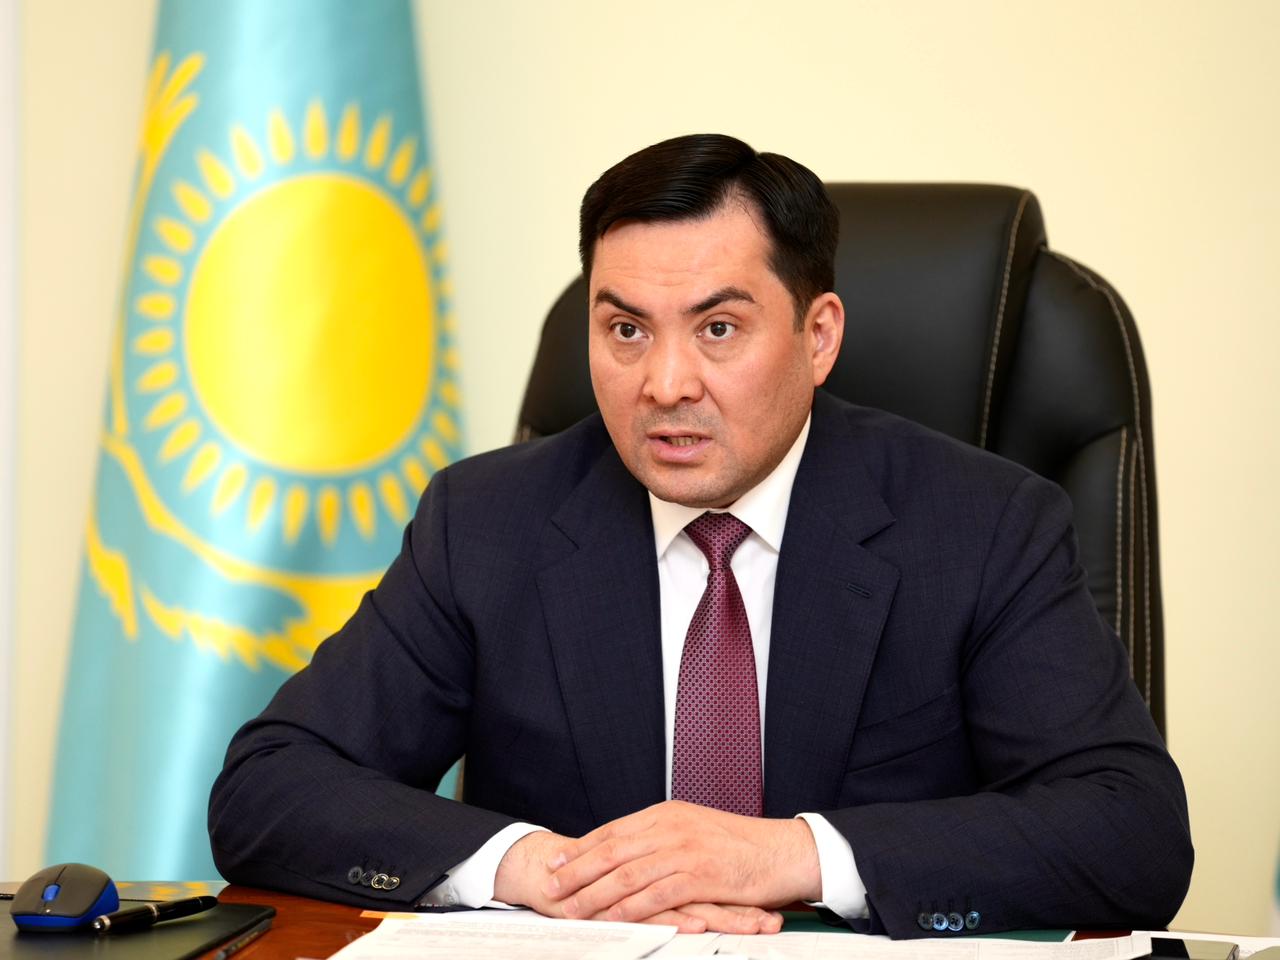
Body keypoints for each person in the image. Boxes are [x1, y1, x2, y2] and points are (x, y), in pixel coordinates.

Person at [208, 133, 1193, 939]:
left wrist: (789, 856)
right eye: (625, 330)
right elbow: (269, 788)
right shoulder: (487, 523)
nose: (665, 383)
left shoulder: (980, 524)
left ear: (817, 336)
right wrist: (536, 867)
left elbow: (1131, 830)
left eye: (717, 329)